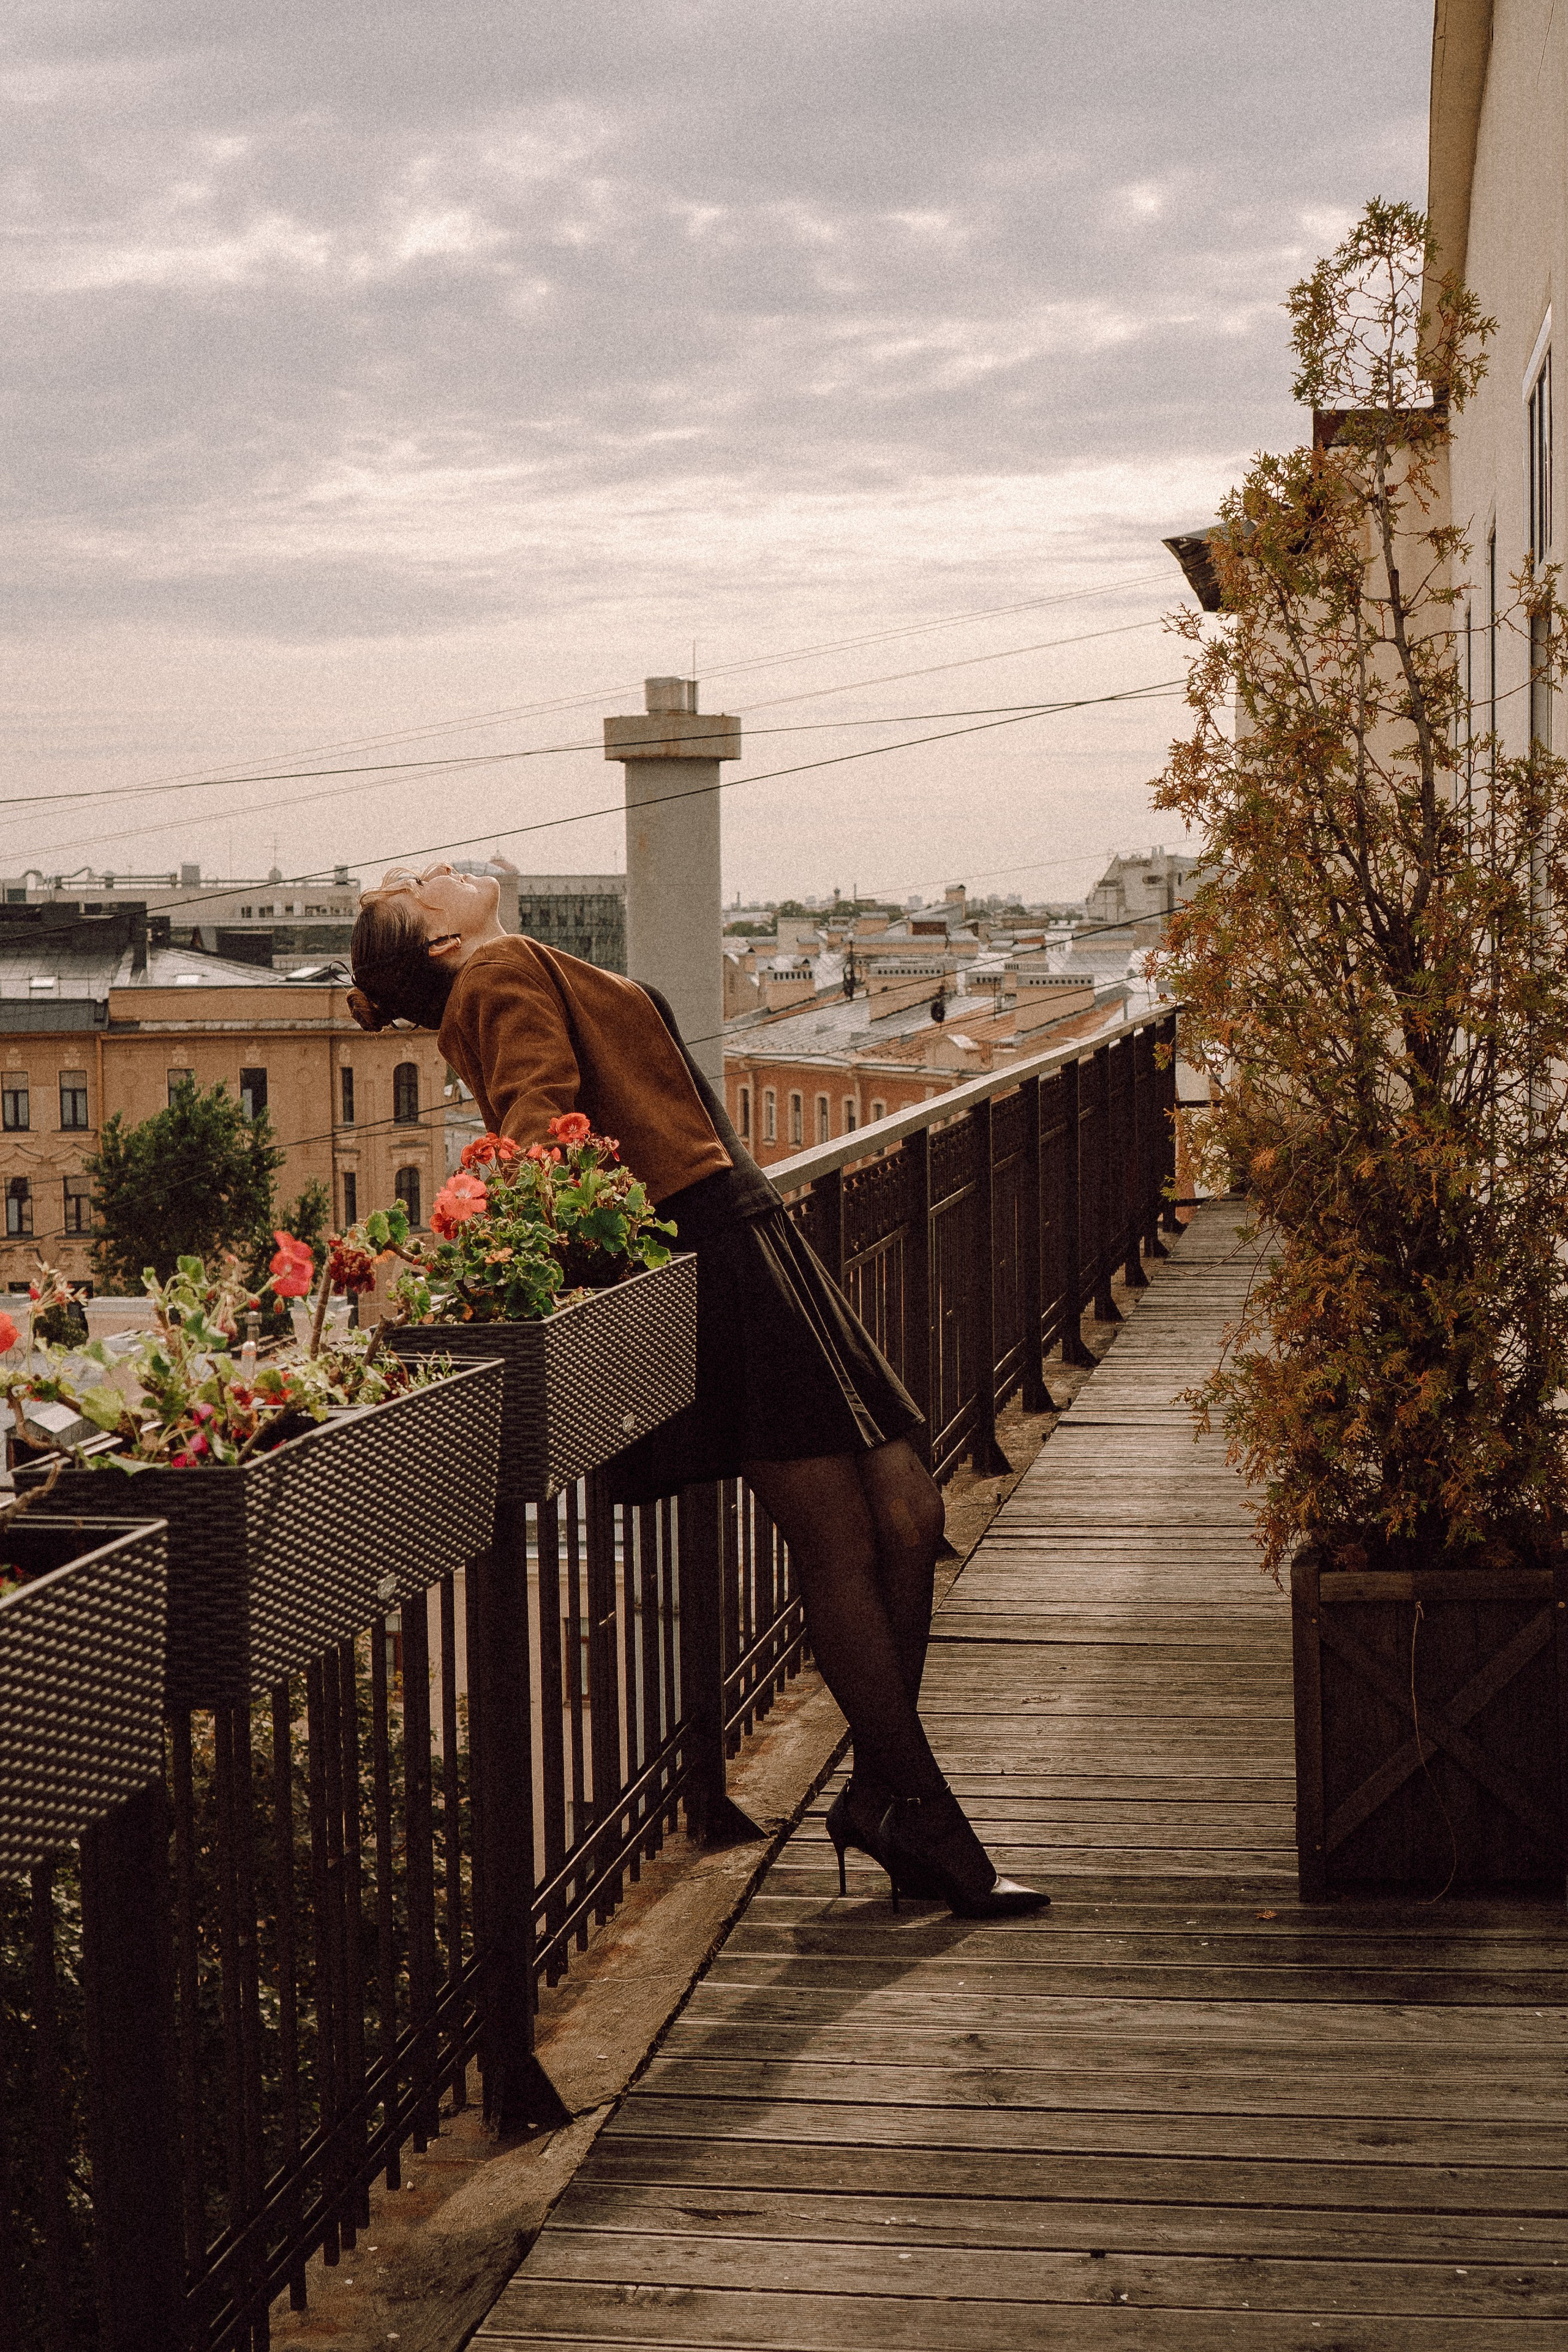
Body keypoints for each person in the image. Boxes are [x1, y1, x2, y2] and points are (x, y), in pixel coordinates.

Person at [349, 861, 1047, 1918]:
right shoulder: (494, 972)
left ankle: (879, 1796)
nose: (430, 870)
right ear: (442, 943)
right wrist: (520, 1240)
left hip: (747, 1230)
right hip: (712, 1249)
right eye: (416, 886)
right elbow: (538, 1134)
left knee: (909, 1508)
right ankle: (932, 1821)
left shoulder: (505, 962)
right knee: (845, 1539)